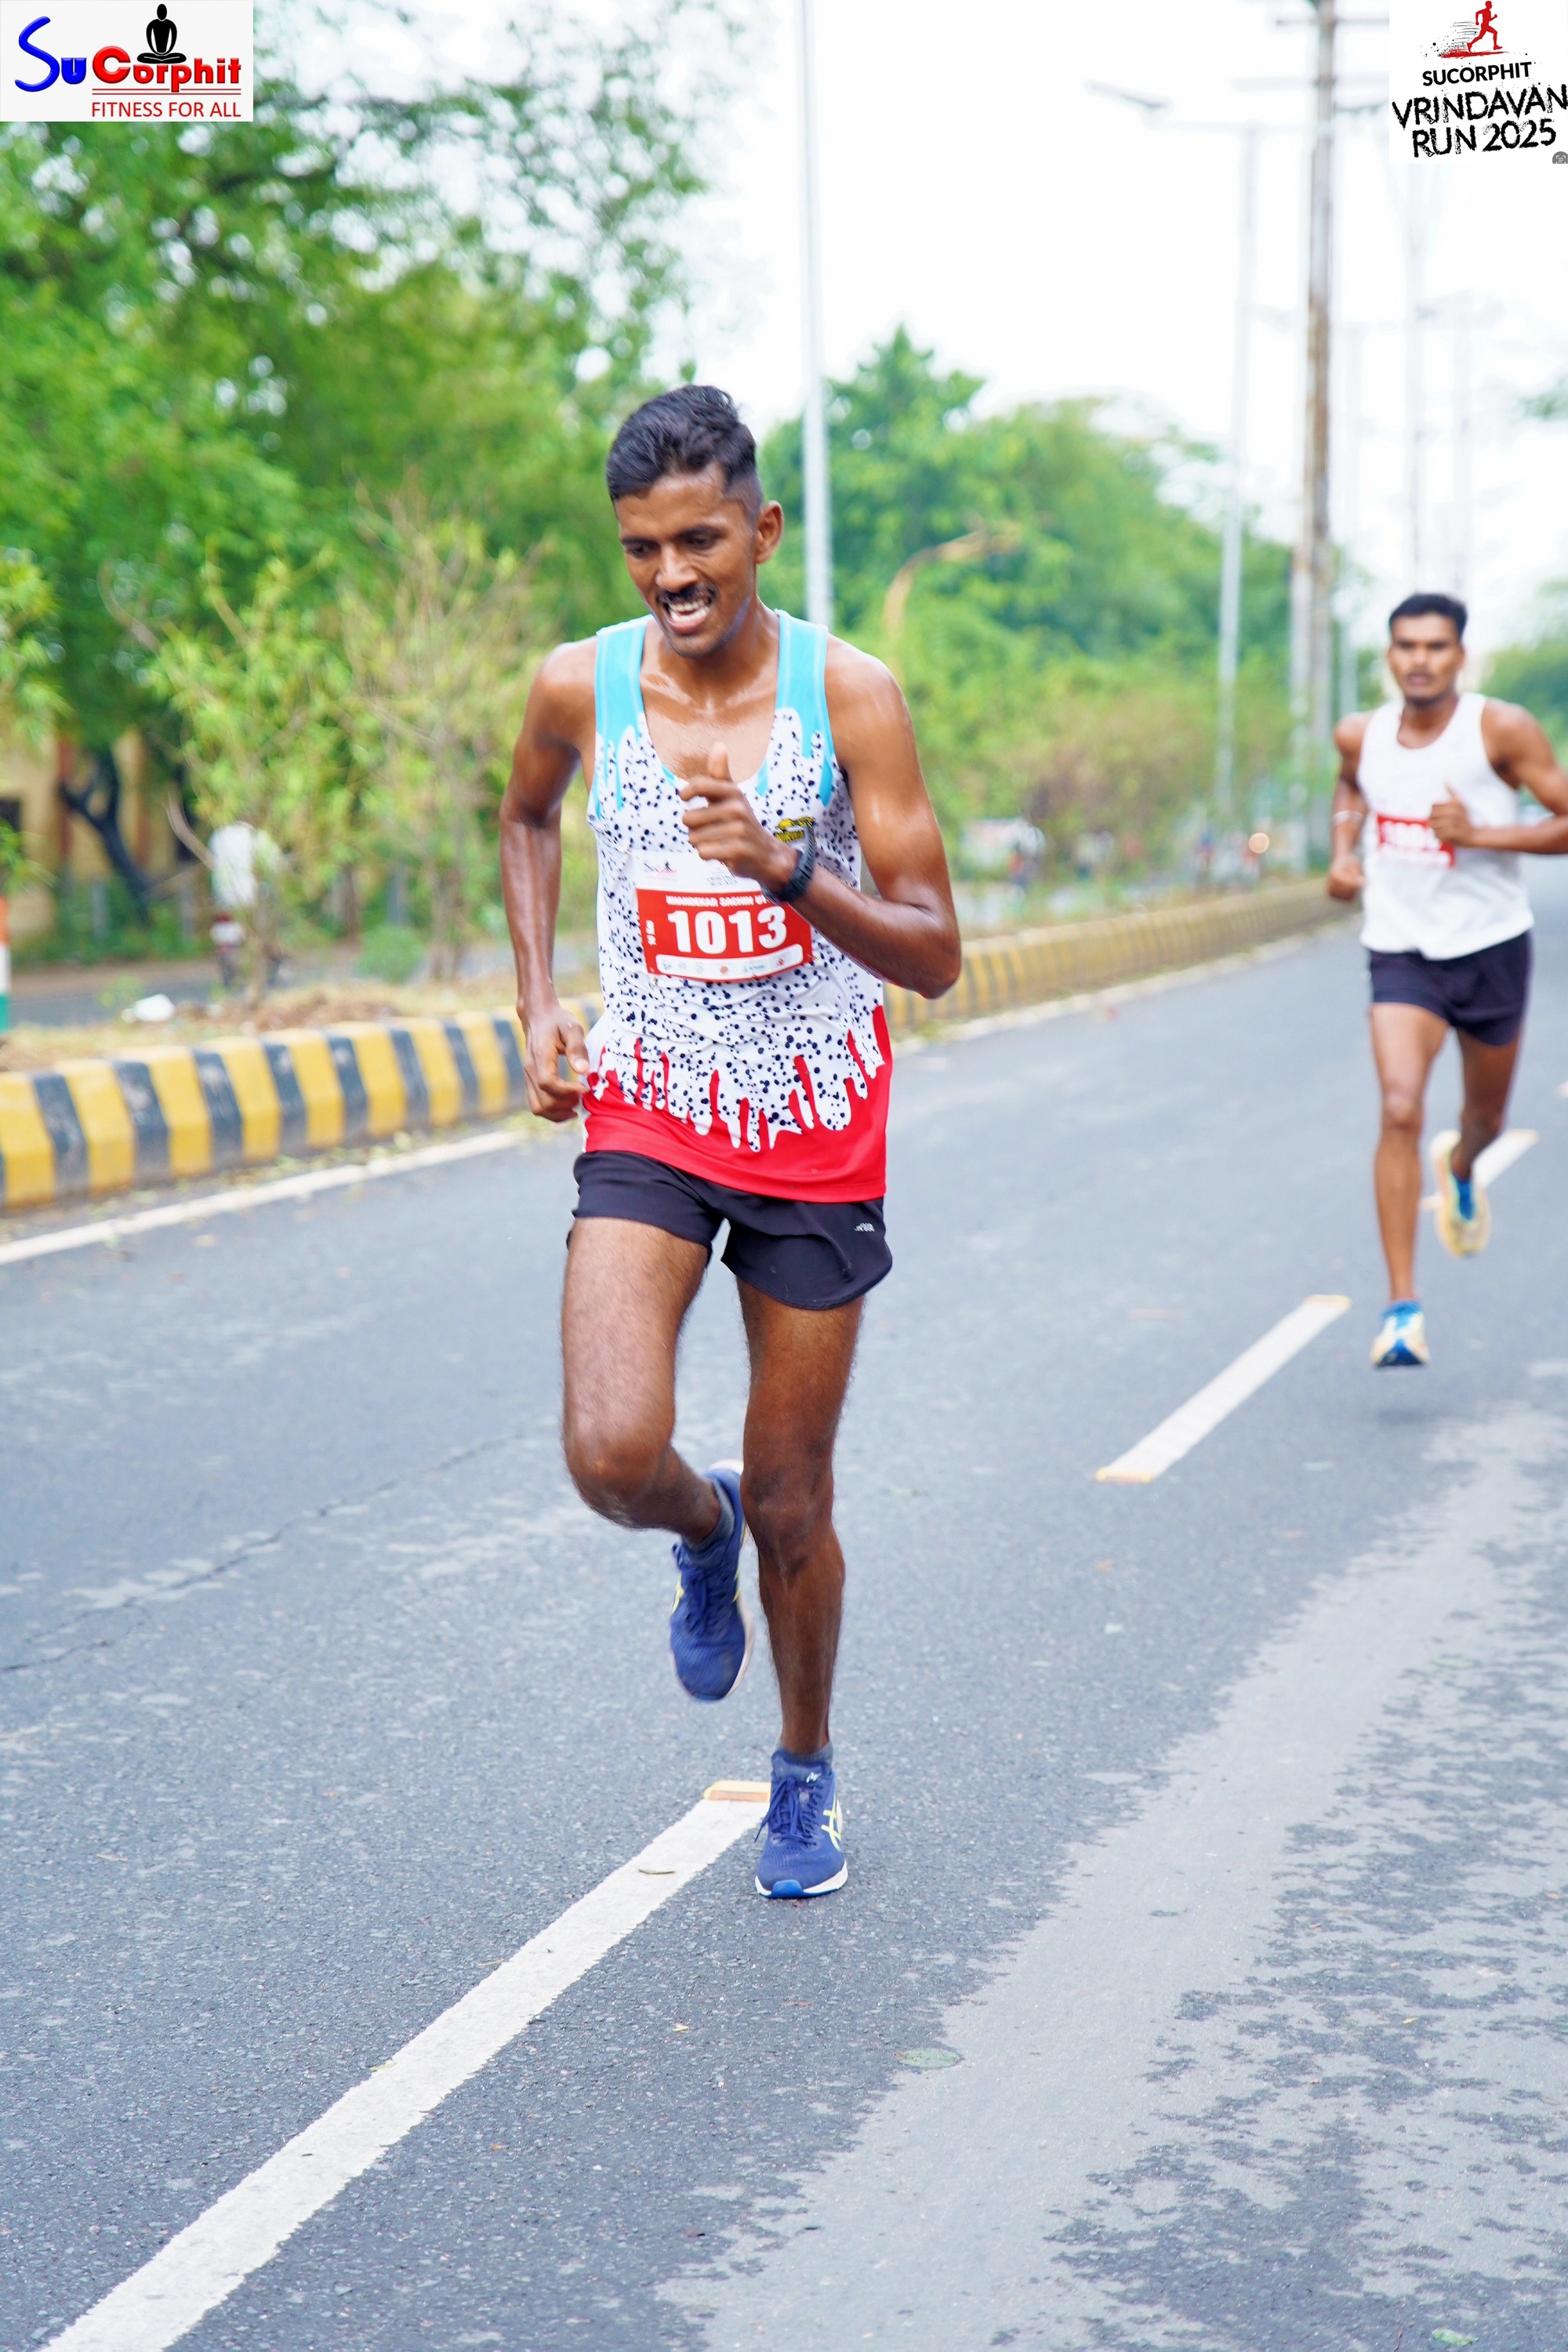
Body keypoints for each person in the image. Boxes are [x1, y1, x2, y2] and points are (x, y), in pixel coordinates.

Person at [499, 386, 960, 1896]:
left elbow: (936, 951)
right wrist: (538, 999)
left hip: (815, 1119)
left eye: (699, 541)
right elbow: (525, 818)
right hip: (650, 1099)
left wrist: (789, 872)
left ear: (760, 529)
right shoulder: (579, 685)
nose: (671, 575)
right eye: (642, 548)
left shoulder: (853, 700)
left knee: (796, 1498)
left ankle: (804, 1771)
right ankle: (696, 1531)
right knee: (609, 1450)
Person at [1328, 591, 1568, 1367]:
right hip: (1401, 950)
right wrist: (1342, 854)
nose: (1420, 660)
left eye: (1435, 646)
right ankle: (1402, 1310)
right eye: (1406, 646)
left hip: (1490, 947)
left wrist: (1481, 834)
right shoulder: (1360, 734)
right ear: (1390, 655)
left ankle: (1461, 1166)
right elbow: (1350, 785)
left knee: (1484, 1119)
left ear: (1459, 655)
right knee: (1399, 1108)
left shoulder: (1499, 730)